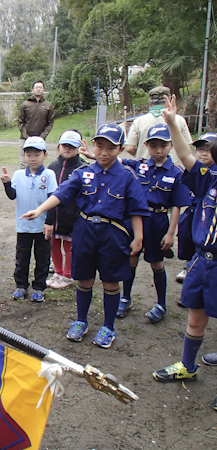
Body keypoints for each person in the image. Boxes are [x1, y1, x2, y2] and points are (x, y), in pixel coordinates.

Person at [21, 124, 149, 348]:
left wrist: (138, 237)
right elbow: (61, 193)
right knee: (84, 279)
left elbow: (136, 208)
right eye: (100, 146)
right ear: (93, 147)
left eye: (111, 148)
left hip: (114, 233)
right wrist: (40, 210)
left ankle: (108, 326)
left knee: (110, 281)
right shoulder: (83, 172)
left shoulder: (127, 177)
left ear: (120, 149)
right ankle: (81, 321)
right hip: (85, 231)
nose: (104, 152)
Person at [152, 96, 217, 412]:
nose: (207, 156)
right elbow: (185, 154)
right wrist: (172, 123)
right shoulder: (209, 180)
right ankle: (188, 367)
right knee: (195, 319)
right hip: (202, 262)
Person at [112, 124, 190, 322]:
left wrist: (171, 233)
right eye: (153, 145)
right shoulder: (140, 165)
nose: (158, 150)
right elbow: (117, 159)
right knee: (131, 259)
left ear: (171, 146)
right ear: (146, 145)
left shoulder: (176, 173)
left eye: (163, 146)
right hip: (135, 220)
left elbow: (176, 206)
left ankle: (161, 303)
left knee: (156, 263)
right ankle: (125, 298)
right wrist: (93, 154)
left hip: (157, 223)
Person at [0, 136, 57, 302]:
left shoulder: (49, 175)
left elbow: (53, 200)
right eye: (29, 154)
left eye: (37, 154)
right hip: (23, 226)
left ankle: (39, 287)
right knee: (22, 257)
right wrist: (7, 183)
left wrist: (49, 222)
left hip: (42, 226)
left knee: (43, 257)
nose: (33, 158)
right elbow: (12, 196)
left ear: (45, 155)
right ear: (24, 155)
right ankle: (21, 285)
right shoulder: (18, 174)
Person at [45, 130, 87, 290]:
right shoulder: (53, 167)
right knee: (53, 243)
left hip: (73, 217)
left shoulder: (83, 168)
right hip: (55, 216)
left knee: (69, 247)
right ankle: (58, 272)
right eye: (64, 145)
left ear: (78, 147)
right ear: (59, 146)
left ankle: (68, 275)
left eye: (72, 146)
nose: (67, 149)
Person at [175, 133, 217, 284]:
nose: (204, 153)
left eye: (208, 149)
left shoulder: (212, 175)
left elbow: (184, 155)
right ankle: (189, 266)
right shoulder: (201, 172)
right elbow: (185, 155)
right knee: (186, 239)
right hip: (193, 211)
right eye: (200, 149)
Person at [124, 85, 193, 165]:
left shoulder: (138, 121)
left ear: (150, 101)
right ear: (169, 100)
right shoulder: (178, 120)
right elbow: (187, 148)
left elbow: (129, 148)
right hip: (172, 170)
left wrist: (142, 154)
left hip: (145, 169)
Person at [18, 81, 55, 169]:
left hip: (40, 139)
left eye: (40, 87)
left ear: (43, 90)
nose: (38, 89)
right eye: (36, 87)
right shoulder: (25, 104)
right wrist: (26, 136)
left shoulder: (48, 105)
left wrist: (42, 137)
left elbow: (50, 123)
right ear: (32, 90)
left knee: (37, 163)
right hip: (25, 139)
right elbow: (20, 121)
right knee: (24, 163)